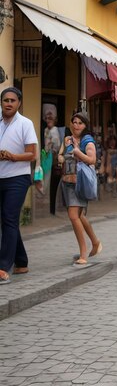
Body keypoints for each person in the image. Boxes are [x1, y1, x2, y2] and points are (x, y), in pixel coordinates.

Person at [0, 87, 37, 284]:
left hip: (18, 177)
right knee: (8, 220)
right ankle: (21, 262)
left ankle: (3, 267)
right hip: (0, 176)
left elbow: (33, 154)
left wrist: (12, 157)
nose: (8, 103)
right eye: (5, 100)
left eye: (12, 100)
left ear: (19, 103)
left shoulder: (25, 124)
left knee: (9, 218)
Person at [57, 112, 102, 268]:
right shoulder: (67, 139)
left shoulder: (87, 142)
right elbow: (61, 154)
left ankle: (83, 252)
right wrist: (60, 157)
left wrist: (78, 152)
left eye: (80, 123)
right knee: (80, 216)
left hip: (80, 183)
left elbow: (92, 160)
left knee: (73, 215)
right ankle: (95, 243)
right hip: (67, 182)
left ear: (85, 126)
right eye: (74, 122)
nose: (76, 125)